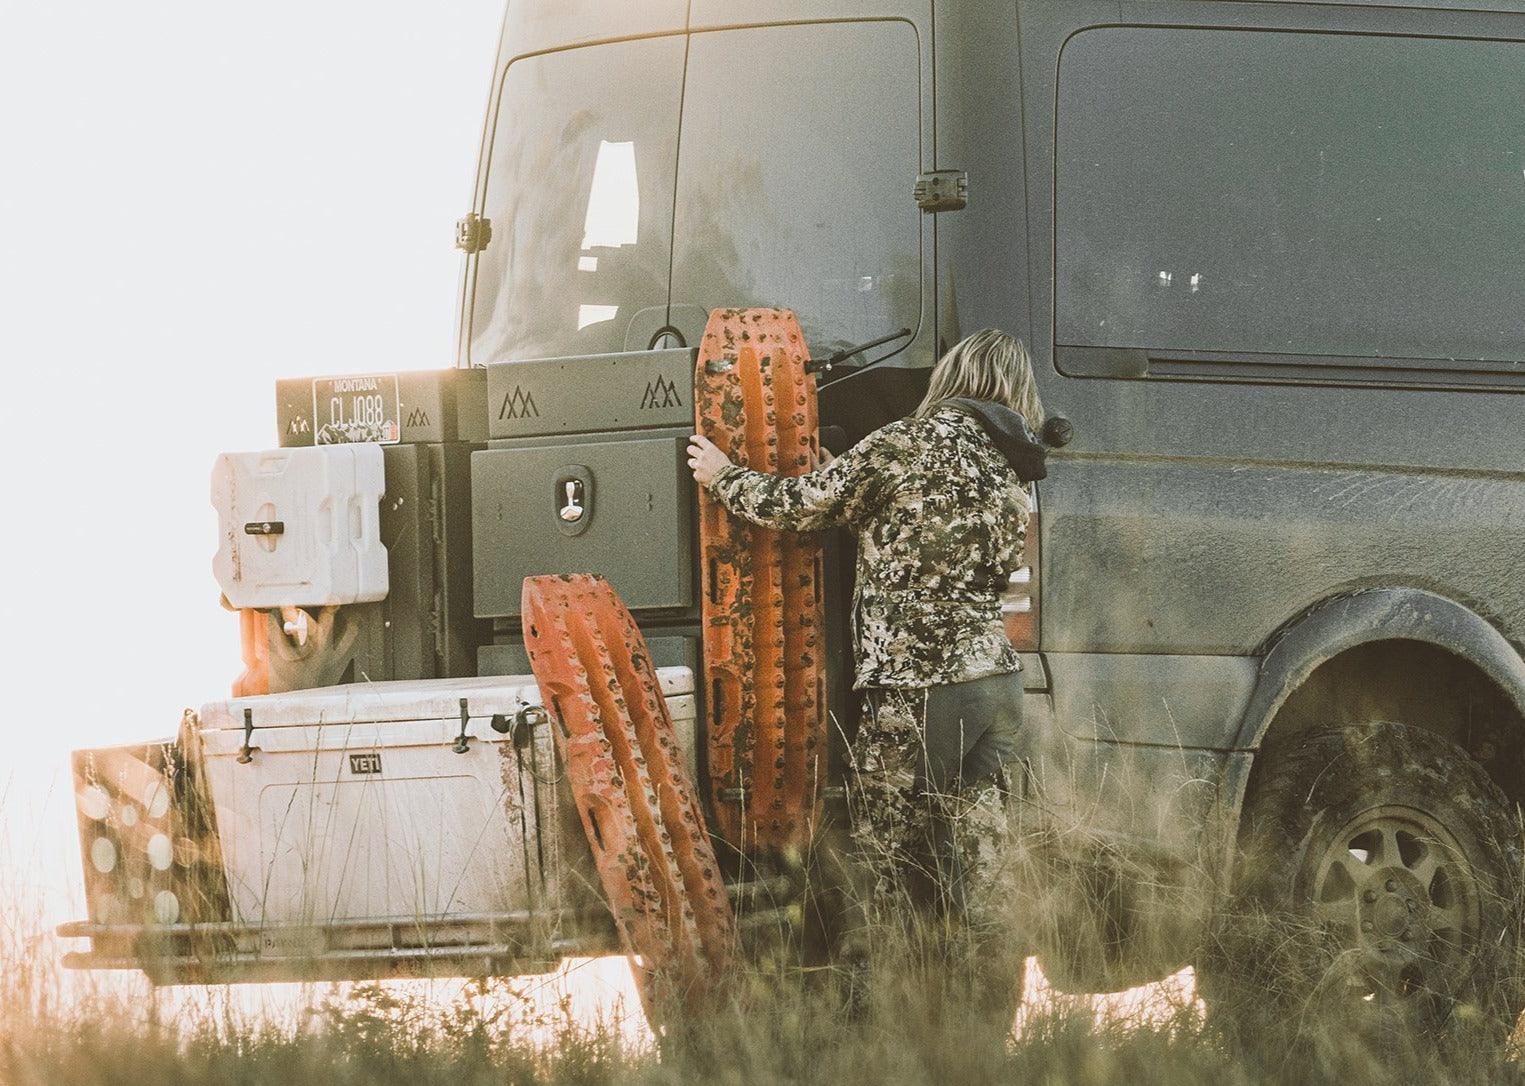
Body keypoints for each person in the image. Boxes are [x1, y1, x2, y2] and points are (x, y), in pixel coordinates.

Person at [687, 329, 1047, 1011]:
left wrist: (721, 474)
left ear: (952, 375)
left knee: (884, 860)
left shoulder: (903, 443)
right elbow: (946, 550)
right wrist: (845, 475)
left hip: (916, 692)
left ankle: (882, 1015)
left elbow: (798, 507)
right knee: (981, 868)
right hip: (994, 686)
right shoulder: (1010, 468)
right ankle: (981, 1020)